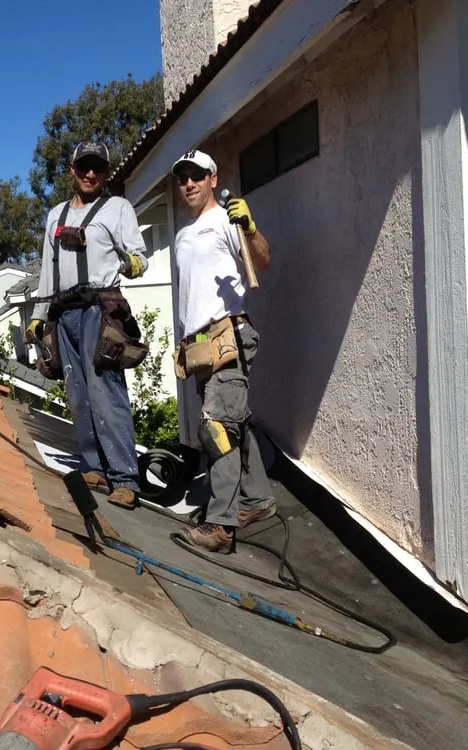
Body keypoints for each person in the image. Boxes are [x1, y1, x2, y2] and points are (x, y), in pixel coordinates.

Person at [27, 140, 149, 509]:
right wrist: (38, 314)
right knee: (78, 395)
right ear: (72, 169)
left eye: (97, 167)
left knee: (106, 393)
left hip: (100, 309)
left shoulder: (117, 208)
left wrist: (127, 263)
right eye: (84, 167)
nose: (90, 174)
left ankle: (125, 479)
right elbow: (48, 268)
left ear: (106, 172)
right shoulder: (56, 215)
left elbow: (140, 257)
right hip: (65, 313)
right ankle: (93, 466)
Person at [170, 148, 276, 552]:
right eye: (183, 178)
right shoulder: (182, 235)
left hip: (229, 336)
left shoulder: (227, 220)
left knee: (216, 426)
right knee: (235, 423)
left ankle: (221, 525)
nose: (189, 184)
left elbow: (262, 261)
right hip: (198, 346)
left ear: (213, 178)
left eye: (197, 176)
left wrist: (248, 227)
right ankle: (257, 499)